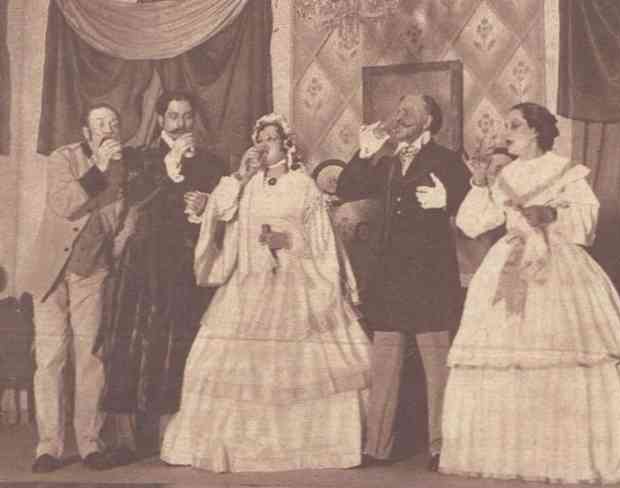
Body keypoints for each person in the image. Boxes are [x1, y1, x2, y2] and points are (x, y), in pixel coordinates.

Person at [439, 102, 620, 483]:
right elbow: (473, 224)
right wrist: (480, 183)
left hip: (558, 264)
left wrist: (553, 215)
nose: (505, 133)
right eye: (506, 125)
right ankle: (511, 456)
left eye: (514, 125)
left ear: (536, 131)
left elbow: (587, 221)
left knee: (562, 352)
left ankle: (563, 457)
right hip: (508, 265)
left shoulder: (565, 170)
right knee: (505, 355)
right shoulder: (504, 174)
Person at [159, 113, 371, 472]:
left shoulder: (303, 186)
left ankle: (302, 447)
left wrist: (286, 240)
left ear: (286, 145)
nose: (263, 145)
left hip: (294, 281)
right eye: (258, 139)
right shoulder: (247, 184)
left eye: (271, 139)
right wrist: (239, 177)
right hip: (249, 280)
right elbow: (220, 210)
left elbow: (321, 241)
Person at [335, 94, 470, 470]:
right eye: (398, 110)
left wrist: (448, 201)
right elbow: (347, 190)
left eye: (410, 110)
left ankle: (441, 448)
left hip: (430, 279)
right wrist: (364, 154)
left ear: (429, 120)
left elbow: (471, 204)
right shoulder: (387, 161)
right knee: (384, 367)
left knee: (437, 368)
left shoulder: (447, 160)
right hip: (390, 280)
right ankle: (377, 447)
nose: (400, 115)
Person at [100, 91, 226, 461]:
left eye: (187, 116)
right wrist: (168, 168)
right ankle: (130, 440)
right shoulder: (139, 157)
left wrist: (206, 206)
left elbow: (224, 211)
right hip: (144, 266)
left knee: (182, 345)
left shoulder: (211, 162)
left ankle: (175, 437)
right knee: (137, 346)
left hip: (188, 266)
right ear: (159, 120)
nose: (181, 123)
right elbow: (133, 196)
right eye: (173, 116)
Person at [25, 104, 142, 473]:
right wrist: (99, 170)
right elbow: (64, 204)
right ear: (87, 133)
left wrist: (116, 246)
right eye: (100, 123)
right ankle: (49, 447)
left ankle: (90, 443)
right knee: (50, 359)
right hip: (51, 272)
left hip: (91, 271)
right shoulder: (63, 158)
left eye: (114, 123)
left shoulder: (126, 167)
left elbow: (122, 218)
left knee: (90, 358)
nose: (109, 129)